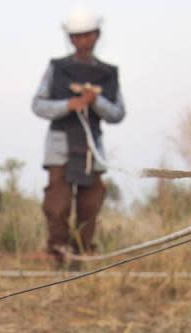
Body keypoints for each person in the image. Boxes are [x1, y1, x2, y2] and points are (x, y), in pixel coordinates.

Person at [32, 6, 125, 265]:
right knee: (57, 204)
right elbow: (38, 105)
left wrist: (95, 101)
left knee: (90, 205)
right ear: (70, 38)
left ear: (96, 36)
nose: (83, 41)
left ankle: (81, 255)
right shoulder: (57, 68)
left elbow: (118, 113)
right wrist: (68, 105)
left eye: (88, 35)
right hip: (60, 148)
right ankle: (59, 254)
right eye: (77, 36)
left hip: (91, 150)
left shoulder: (108, 73)